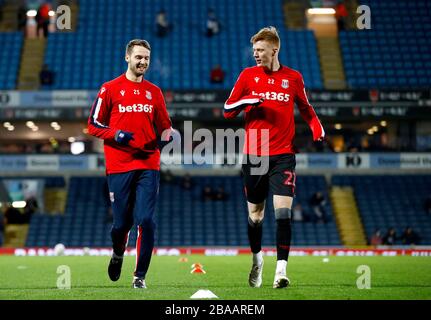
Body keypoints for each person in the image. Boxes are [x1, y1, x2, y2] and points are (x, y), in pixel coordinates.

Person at [223, 27, 325, 289]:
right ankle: (257, 260)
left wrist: (316, 126)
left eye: (260, 50)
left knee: (283, 213)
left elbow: (306, 108)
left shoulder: (293, 77)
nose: (255, 54)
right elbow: (227, 110)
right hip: (254, 156)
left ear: (274, 50)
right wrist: (248, 101)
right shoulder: (248, 76)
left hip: (283, 156)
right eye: (254, 50)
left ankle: (281, 271)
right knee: (256, 216)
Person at [87, 39, 178, 289]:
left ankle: (139, 276)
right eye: (138, 57)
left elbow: (165, 125)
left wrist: (169, 135)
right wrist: (116, 134)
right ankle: (118, 253)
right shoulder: (110, 89)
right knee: (120, 226)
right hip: (119, 166)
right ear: (127, 58)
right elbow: (93, 124)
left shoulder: (154, 92)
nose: (143, 62)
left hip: (149, 164)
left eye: (146, 58)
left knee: (146, 220)